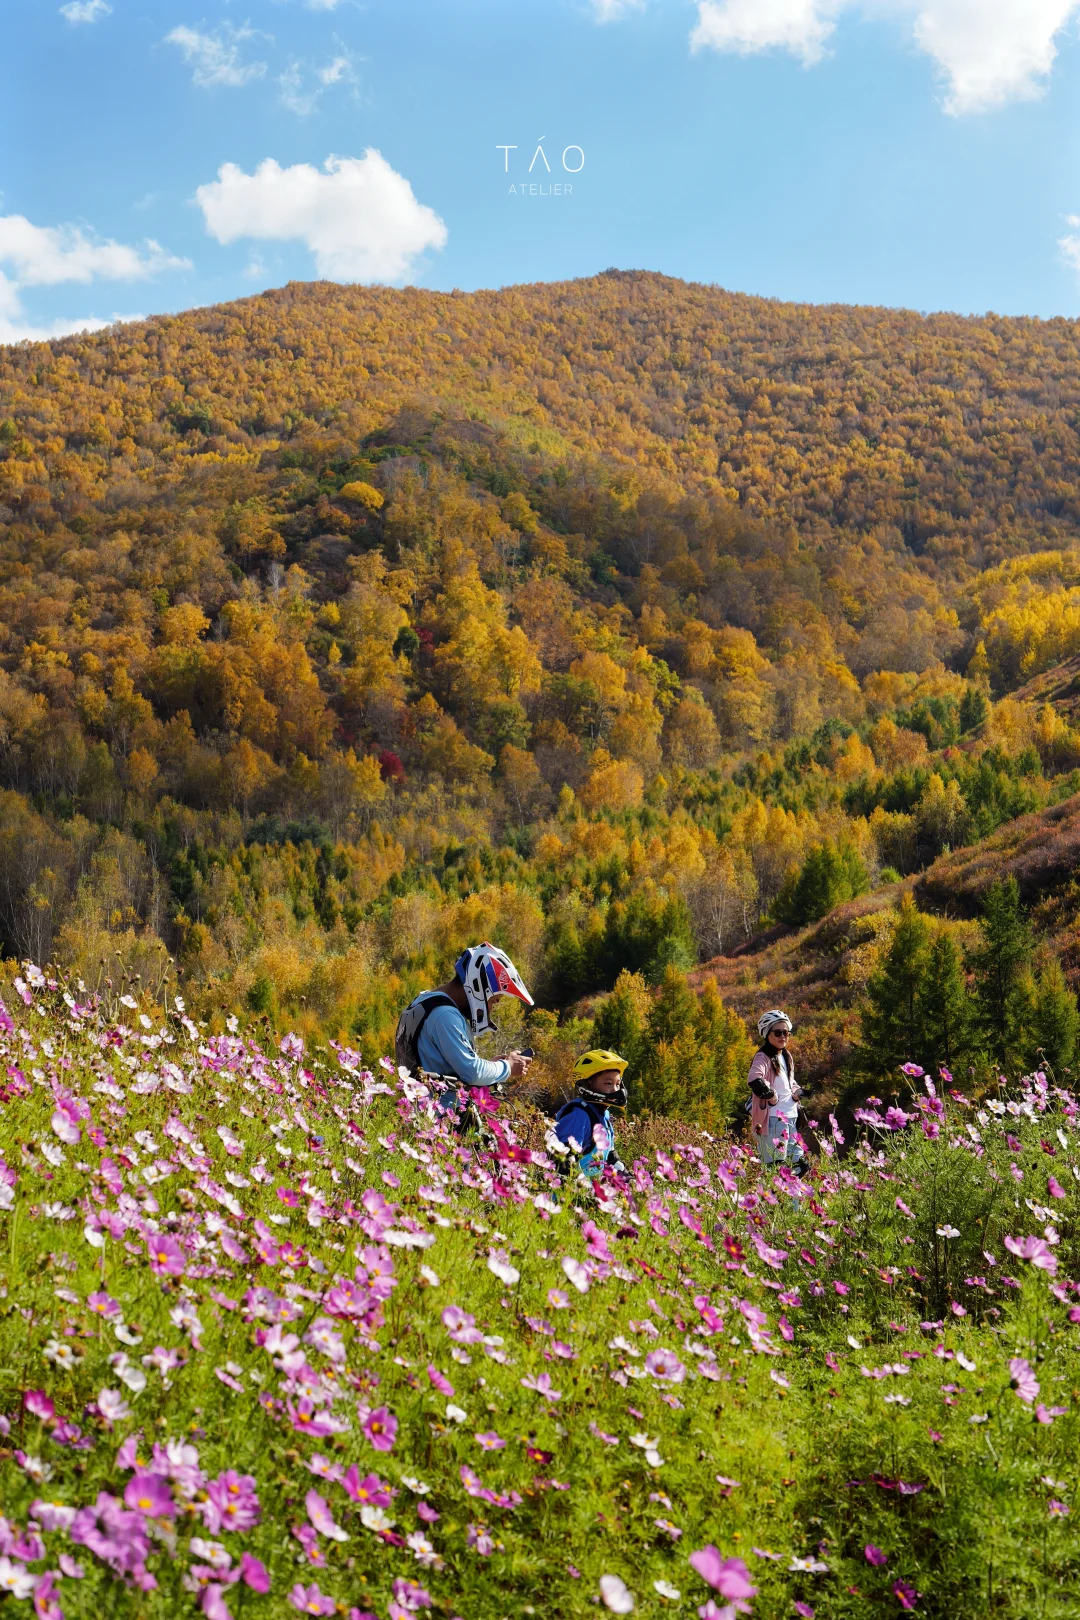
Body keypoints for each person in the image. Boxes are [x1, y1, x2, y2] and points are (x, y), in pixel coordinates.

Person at [395, 943, 534, 1114]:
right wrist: (507, 1067)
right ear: (480, 988)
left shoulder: (425, 1002)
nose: (490, 1009)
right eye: (493, 1001)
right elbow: (472, 1072)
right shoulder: (445, 1015)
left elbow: (444, 1066)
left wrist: (492, 1066)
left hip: (420, 1114)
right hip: (439, 1123)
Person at [747, 1009, 808, 1175]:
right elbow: (754, 1079)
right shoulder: (763, 1056)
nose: (783, 1036)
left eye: (786, 1032)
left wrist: (798, 1092)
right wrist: (772, 1096)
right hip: (773, 1120)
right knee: (776, 1169)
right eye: (778, 1032)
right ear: (767, 1033)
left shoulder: (786, 1055)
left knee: (799, 1167)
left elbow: (789, 1082)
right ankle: (771, 1200)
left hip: (791, 1117)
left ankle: (790, 1201)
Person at [552, 1049, 628, 1180]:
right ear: (588, 1083)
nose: (615, 1090)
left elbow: (610, 1156)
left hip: (592, 1194)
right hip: (570, 1196)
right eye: (608, 1083)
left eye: (617, 1083)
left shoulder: (604, 1115)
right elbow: (562, 1160)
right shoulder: (578, 1115)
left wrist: (627, 1178)